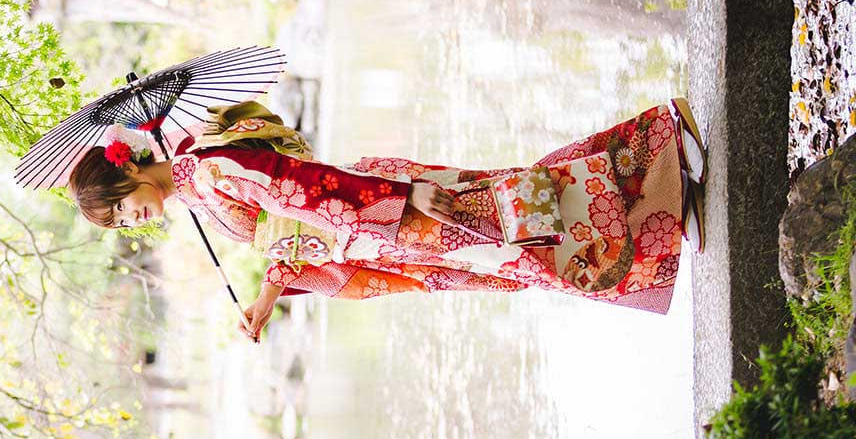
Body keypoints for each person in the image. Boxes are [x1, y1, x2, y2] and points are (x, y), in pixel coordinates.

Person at [67, 100, 707, 342]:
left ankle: (663, 155)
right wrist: (267, 296)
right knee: (518, 234)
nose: (130, 217)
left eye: (119, 204)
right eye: (120, 222)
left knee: (518, 228)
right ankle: (663, 206)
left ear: (127, 168)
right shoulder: (196, 186)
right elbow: (289, 232)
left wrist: (402, 195)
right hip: (376, 236)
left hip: (385, 212)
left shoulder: (209, 170)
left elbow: (305, 190)